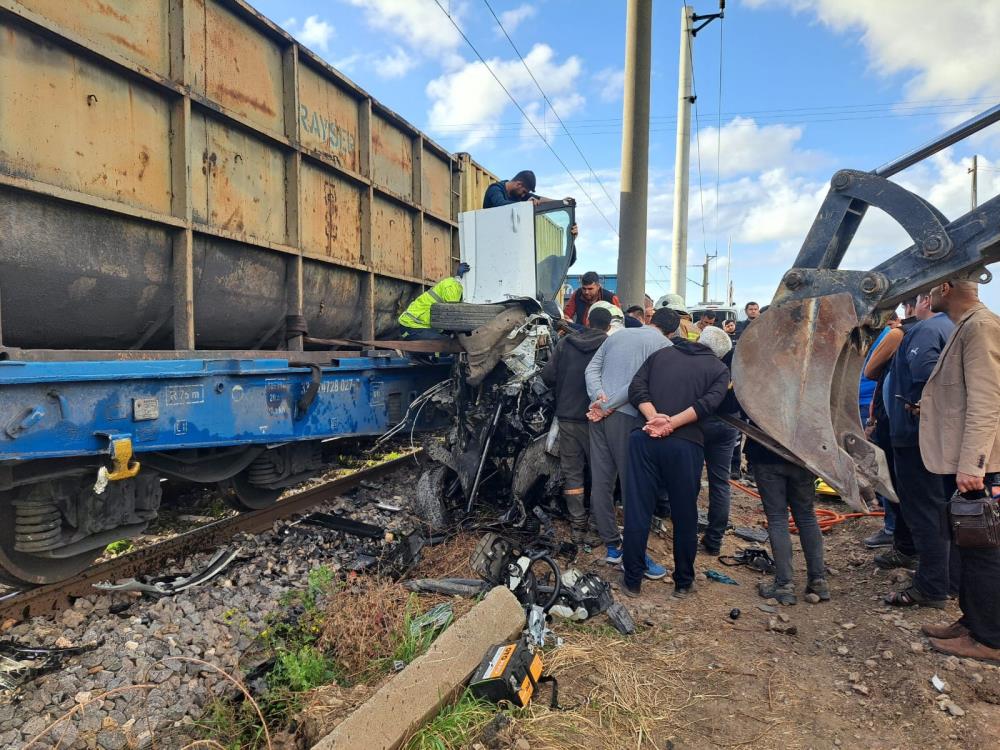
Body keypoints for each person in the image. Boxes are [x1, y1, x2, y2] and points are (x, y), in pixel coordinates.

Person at [919, 280, 1000, 661]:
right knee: (969, 547)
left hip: (983, 468)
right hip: (970, 464)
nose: (925, 296)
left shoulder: (981, 326)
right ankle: (972, 621)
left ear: (946, 287)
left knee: (985, 551)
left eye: (929, 290)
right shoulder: (965, 326)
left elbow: (987, 401)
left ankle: (989, 637)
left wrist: (974, 464)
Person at [620, 318, 730, 598]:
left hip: (643, 437)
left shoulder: (661, 354)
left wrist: (653, 417)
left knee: (637, 509)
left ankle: (632, 581)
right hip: (684, 445)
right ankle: (683, 582)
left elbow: (636, 389)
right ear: (721, 352)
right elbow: (707, 405)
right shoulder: (718, 369)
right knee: (685, 514)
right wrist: (671, 424)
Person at [585, 308, 677, 572]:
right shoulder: (665, 346)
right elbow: (637, 384)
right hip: (626, 418)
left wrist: (599, 398)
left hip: (597, 416)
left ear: (650, 320)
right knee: (634, 487)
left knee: (601, 482)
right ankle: (636, 556)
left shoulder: (617, 335)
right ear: (671, 330)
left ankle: (613, 546)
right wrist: (608, 404)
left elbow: (591, 370)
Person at [883, 294, 956, 609]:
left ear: (925, 299)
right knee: (942, 510)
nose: (906, 312)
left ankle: (931, 587)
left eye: (908, 305)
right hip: (939, 439)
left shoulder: (925, 331)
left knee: (924, 512)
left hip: (915, 440)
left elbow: (924, 376)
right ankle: (948, 579)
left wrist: (918, 408)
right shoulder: (953, 328)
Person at [541, 308, 612, 545]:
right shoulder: (610, 346)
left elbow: (548, 376)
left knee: (573, 472)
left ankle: (577, 525)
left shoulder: (565, 343)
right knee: (600, 473)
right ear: (608, 326)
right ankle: (594, 526)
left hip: (567, 417)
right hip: (598, 420)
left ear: (587, 321)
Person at [862, 302, 920, 567]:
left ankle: (900, 540)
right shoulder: (944, 330)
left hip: (894, 422)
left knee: (893, 482)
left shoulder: (899, 334)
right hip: (910, 423)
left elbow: (870, 371)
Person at [749, 436, 830, 605]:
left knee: (777, 518)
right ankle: (818, 581)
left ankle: (784, 585)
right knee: (807, 516)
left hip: (767, 453)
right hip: (803, 454)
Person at [858, 311, 901, 549]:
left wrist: (872, 416)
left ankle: (891, 525)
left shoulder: (887, 336)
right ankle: (882, 507)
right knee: (875, 462)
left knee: (878, 463)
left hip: (870, 403)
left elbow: (871, 372)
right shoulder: (865, 336)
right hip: (866, 402)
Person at [696, 327, 740, 555]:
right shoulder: (735, 365)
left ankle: (686, 530)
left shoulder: (696, 365)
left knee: (690, 478)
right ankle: (714, 540)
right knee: (720, 482)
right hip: (728, 425)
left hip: (698, 423)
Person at [397, 262, 470, 340]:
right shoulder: (453, 286)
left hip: (419, 325)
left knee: (449, 338)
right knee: (445, 344)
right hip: (411, 325)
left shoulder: (455, 287)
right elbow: (452, 313)